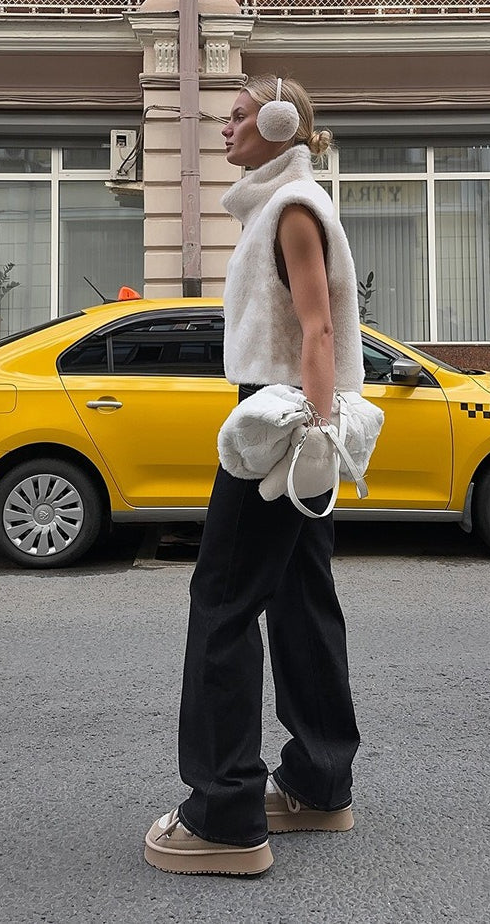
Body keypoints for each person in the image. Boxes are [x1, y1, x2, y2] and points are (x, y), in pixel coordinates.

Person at [144, 74, 365, 876]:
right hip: (298, 413)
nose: (224, 127)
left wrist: (312, 431)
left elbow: (318, 328)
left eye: (237, 116)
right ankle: (319, 782)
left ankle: (224, 816)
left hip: (280, 419)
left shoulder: (292, 208)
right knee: (302, 596)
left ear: (277, 123)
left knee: (223, 603)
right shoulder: (284, 203)